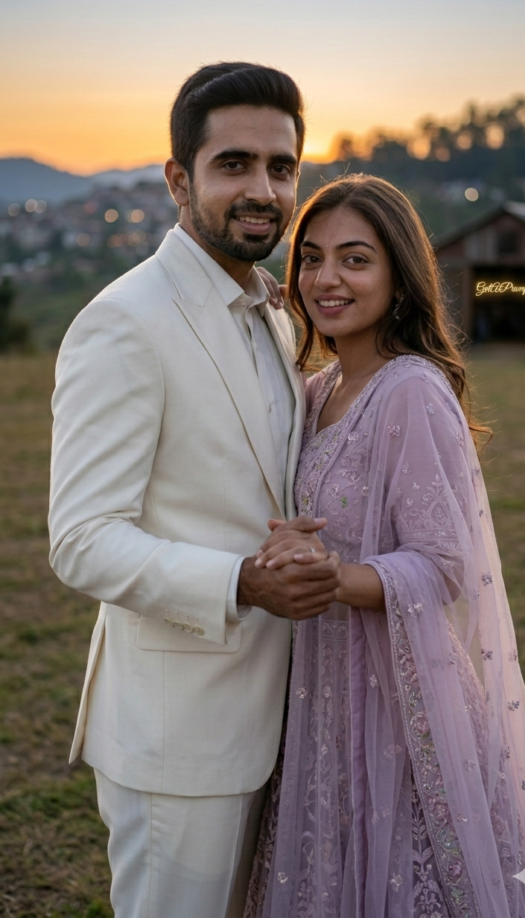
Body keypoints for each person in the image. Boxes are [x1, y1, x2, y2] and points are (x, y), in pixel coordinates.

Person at [48, 62, 339, 918]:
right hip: (179, 740)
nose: (264, 191)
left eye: (281, 168)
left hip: (281, 716)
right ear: (179, 179)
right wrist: (243, 581)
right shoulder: (124, 322)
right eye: (234, 164)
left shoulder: (275, 312)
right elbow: (82, 540)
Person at [246, 175, 525, 917]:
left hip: (399, 695)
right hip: (320, 688)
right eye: (312, 258)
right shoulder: (316, 392)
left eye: (356, 259)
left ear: (399, 277)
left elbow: (444, 564)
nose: (327, 278)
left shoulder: (411, 389)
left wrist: (334, 578)